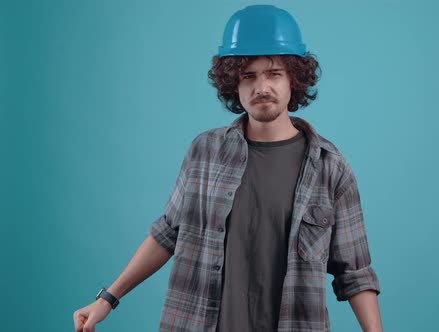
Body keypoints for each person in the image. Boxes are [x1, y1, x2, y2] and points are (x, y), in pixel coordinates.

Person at [73, 5, 382, 332]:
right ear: (233, 83)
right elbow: (168, 233)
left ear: (294, 78)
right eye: (249, 75)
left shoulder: (330, 167)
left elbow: (354, 272)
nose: (262, 87)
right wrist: (107, 298)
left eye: (274, 73)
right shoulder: (205, 152)